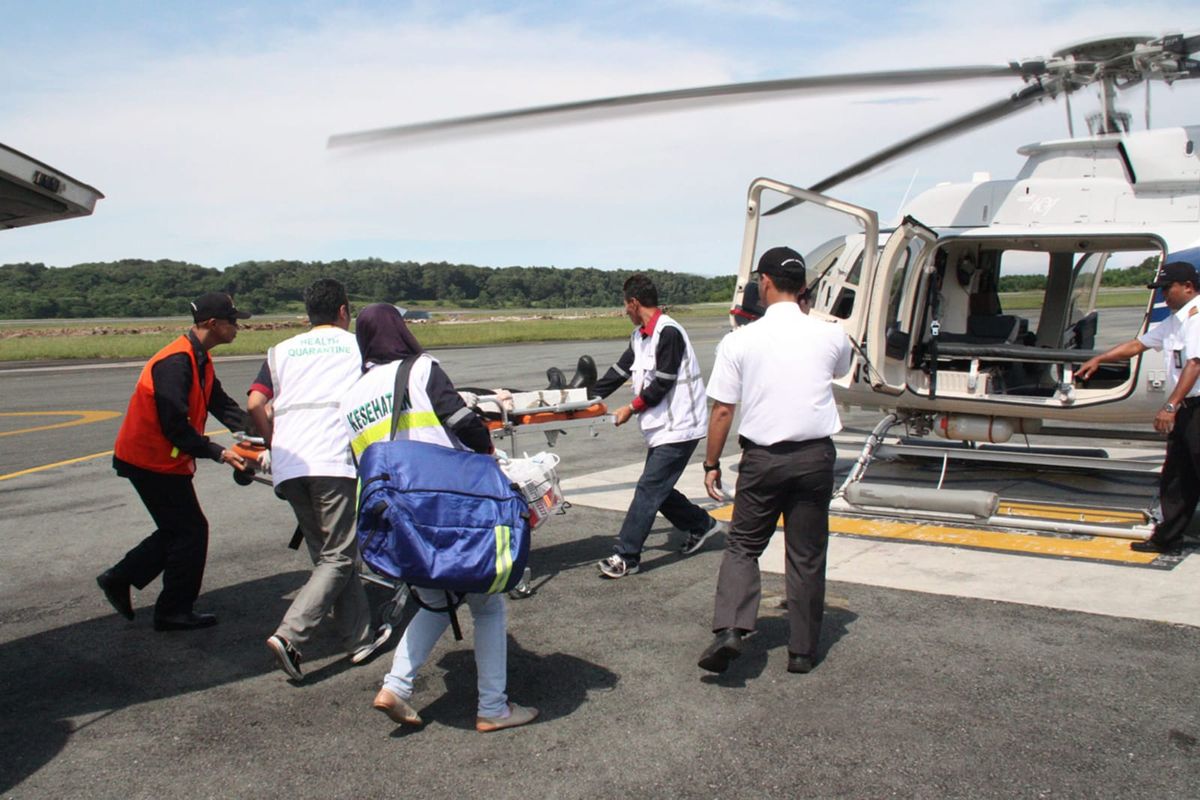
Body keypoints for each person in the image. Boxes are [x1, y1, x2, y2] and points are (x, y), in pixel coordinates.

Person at [340, 303, 538, 733]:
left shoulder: (352, 394)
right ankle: (493, 706)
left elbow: (357, 458)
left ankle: (396, 686)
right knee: (487, 603)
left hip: (397, 518)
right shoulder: (420, 368)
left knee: (433, 600)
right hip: (444, 506)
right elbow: (462, 421)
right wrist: (488, 455)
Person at [698, 247, 851, 675]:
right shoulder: (831, 334)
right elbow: (840, 369)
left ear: (763, 282)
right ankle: (802, 651)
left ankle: (731, 628)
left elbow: (723, 409)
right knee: (805, 554)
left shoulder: (740, 341)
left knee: (744, 545)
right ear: (803, 287)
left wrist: (711, 462)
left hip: (763, 459)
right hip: (815, 457)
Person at [246, 279, 392, 681]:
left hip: (290, 464)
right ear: (344, 311)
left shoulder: (281, 351)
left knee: (330, 556)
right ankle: (291, 635)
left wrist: (273, 442)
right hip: (331, 459)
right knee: (341, 555)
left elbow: (255, 403)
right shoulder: (355, 347)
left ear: (308, 312)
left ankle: (359, 639)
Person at [96, 292, 253, 631]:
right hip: (148, 460)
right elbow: (175, 426)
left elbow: (222, 405)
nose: (238, 327)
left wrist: (261, 433)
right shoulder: (176, 362)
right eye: (233, 321)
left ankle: (120, 578)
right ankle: (172, 610)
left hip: (162, 460)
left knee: (178, 530)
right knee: (191, 531)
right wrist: (219, 451)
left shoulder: (199, 359)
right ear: (213, 324)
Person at [589, 274, 726, 579]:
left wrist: (630, 408)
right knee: (658, 489)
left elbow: (663, 382)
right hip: (662, 427)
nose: (624, 310)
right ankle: (702, 524)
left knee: (649, 488)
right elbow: (619, 370)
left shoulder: (669, 332)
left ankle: (626, 556)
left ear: (635, 303)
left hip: (681, 426)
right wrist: (587, 399)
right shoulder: (640, 336)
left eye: (625, 304)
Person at [1078, 260, 1200, 554]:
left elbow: (1196, 364)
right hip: (1187, 407)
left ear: (1187, 287)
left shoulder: (1197, 319)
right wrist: (1100, 359)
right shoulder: (1175, 320)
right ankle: (1168, 538)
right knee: (1177, 477)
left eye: (1166, 289)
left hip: (1195, 406)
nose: (1163, 295)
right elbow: (1138, 344)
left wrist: (1169, 406)